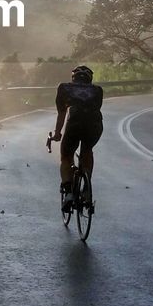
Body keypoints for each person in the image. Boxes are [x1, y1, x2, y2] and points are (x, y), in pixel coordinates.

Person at [51, 64, 104, 212]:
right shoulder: (97, 90)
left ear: (73, 78)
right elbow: (95, 109)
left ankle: (68, 192)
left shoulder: (64, 88)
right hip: (94, 126)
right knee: (87, 150)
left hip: (74, 124)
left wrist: (57, 133)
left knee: (66, 157)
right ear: (90, 79)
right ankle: (87, 190)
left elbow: (62, 113)